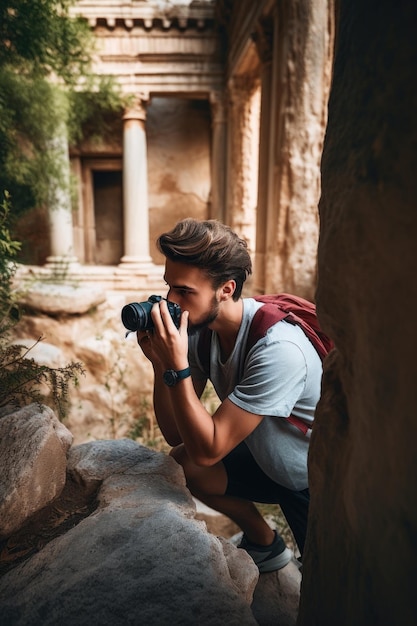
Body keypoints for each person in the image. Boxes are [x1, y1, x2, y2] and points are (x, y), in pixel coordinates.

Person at [136, 218, 322, 573]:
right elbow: (177, 434)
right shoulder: (202, 331)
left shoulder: (278, 350)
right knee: (185, 464)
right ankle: (265, 543)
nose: (170, 303)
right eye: (168, 288)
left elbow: (210, 448)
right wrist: (162, 366)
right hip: (266, 460)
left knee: (329, 588)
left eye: (184, 291)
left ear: (226, 289)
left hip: (310, 481)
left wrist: (177, 367)